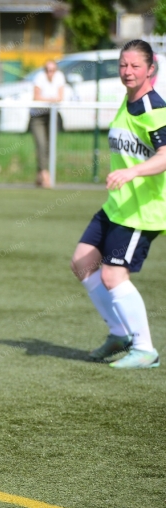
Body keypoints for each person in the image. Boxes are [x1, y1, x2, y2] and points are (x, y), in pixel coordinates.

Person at [70, 39, 166, 369]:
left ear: (151, 69)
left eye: (135, 66)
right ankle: (119, 333)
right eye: (123, 65)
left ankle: (145, 349)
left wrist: (133, 172)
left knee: (113, 275)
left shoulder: (154, 109)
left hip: (143, 209)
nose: (127, 71)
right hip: (117, 205)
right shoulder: (128, 101)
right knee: (83, 262)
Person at [30, 60, 65, 188]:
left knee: (50, 146)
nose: (49, 73)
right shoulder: (39, 78)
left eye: (52, 70)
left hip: (52, 115)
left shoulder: (60, 77)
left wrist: (51, 100)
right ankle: (45, 175)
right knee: (41, 145)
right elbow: (36, 97)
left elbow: (61, 97)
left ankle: (41, 174)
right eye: (47, 70)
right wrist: (51, 100)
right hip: (38, 117)